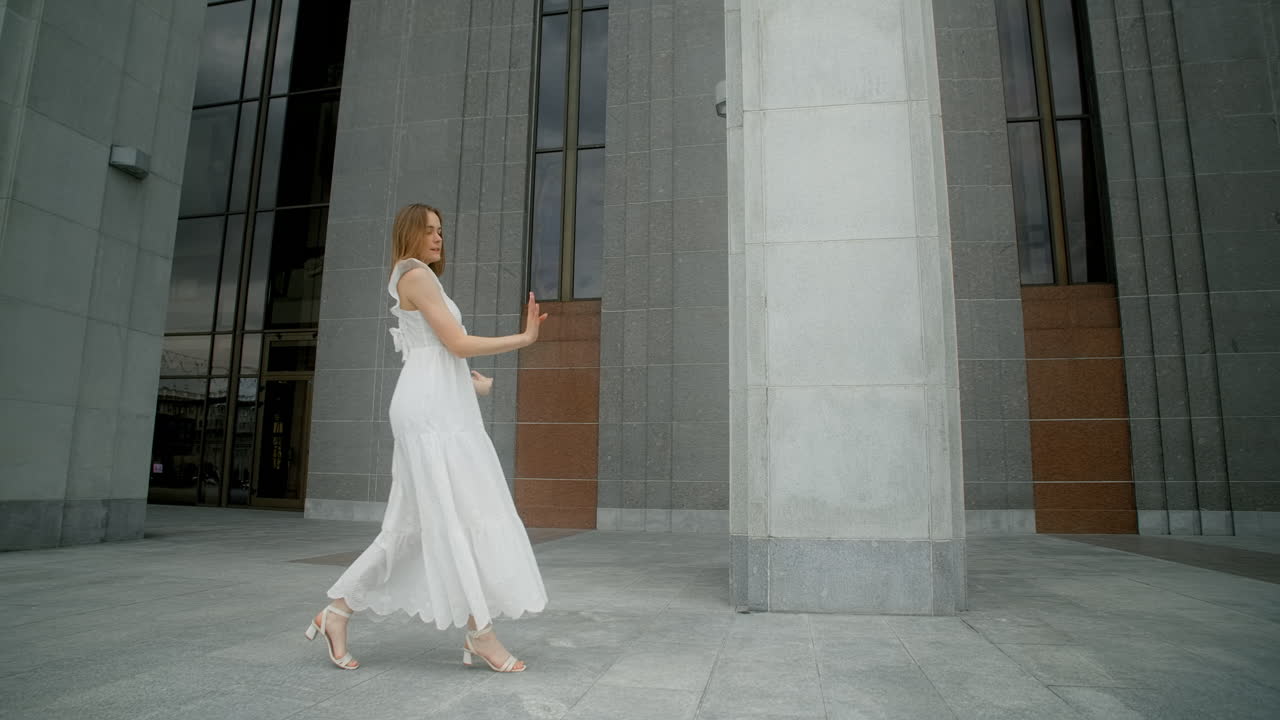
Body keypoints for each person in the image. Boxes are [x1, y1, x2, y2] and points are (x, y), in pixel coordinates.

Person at [305, 203, 549, 673]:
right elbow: (455, 343)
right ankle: (481, 635)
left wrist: (469, 383)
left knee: (414, 527)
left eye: (440, 230)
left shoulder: (415, 277)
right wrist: (523, 339)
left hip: (439, 403)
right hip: (431, 414)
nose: (438, 238)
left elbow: (434, 351)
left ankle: (336, 611)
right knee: (456, 517)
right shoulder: (416, 275)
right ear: (410, 235)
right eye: (429, 230)